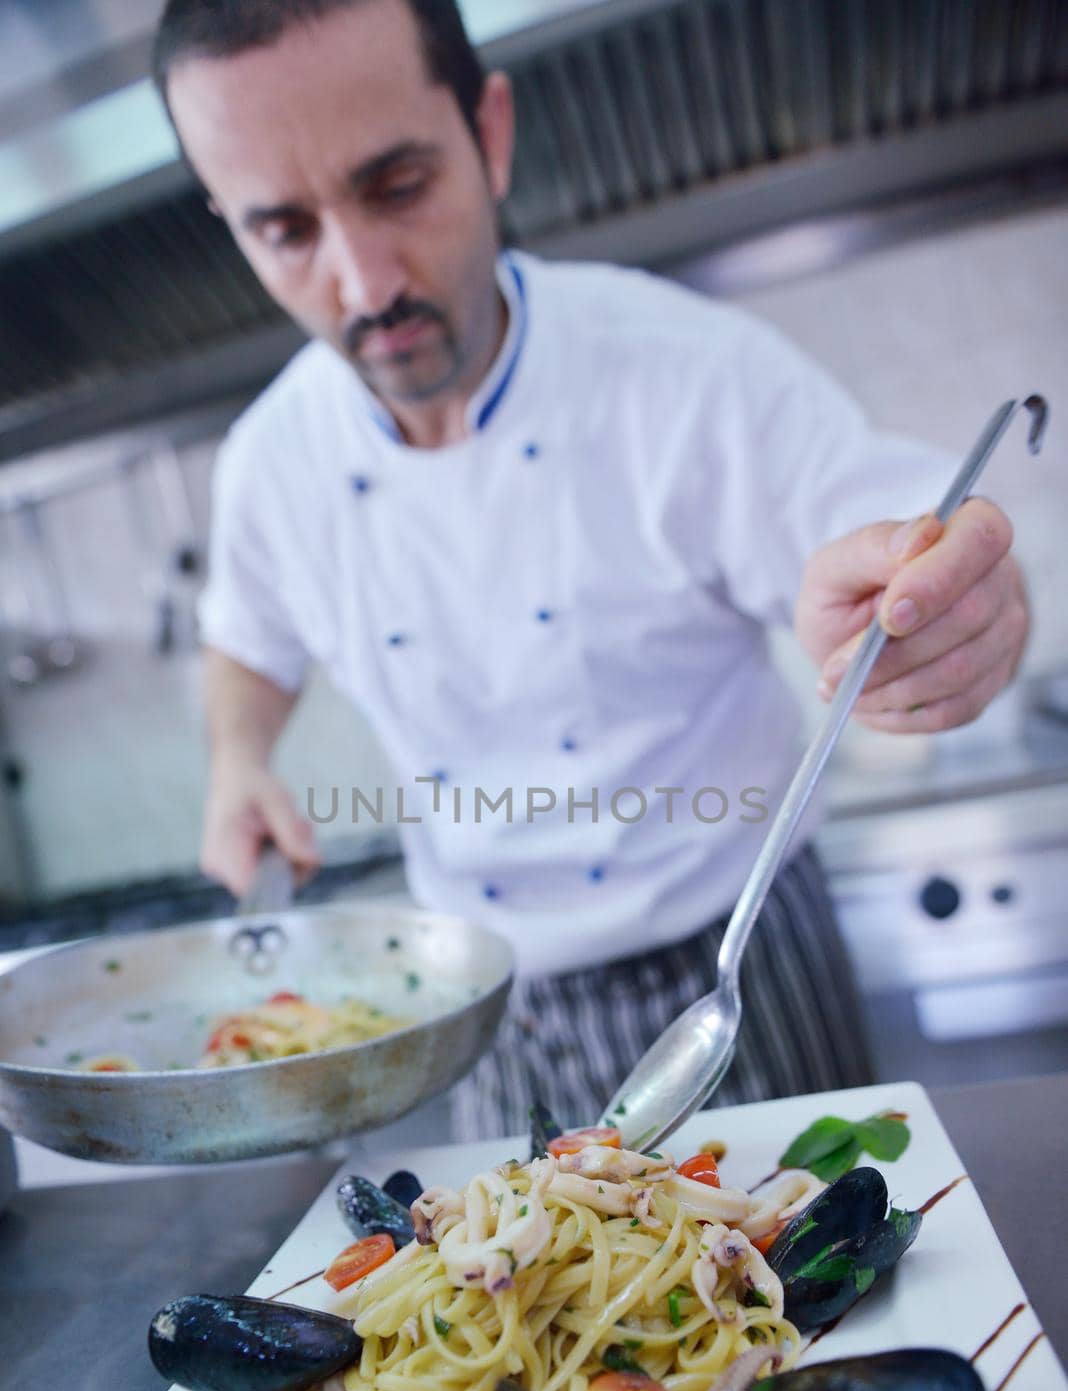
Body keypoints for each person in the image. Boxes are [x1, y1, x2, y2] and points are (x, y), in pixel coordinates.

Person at [153, 0, 1029, 1138]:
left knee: (803, 1305)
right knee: (491, 1307)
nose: (365, 285)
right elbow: (248, 638)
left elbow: (881, 520)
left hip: (734, 973)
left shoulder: (682, 374)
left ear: (491, 132)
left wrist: (948, 596)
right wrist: (237, 756)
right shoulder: (271, 460)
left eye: (398, 185)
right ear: (231, 223)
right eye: (285, 230)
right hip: (480, 1007)